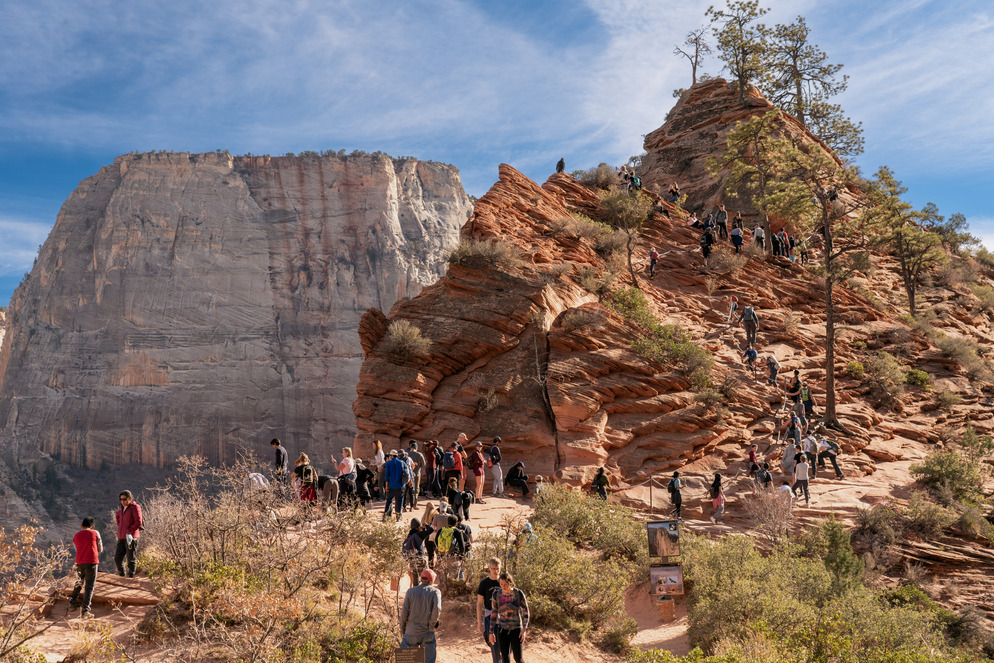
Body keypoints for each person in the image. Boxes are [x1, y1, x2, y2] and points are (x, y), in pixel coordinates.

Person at [400, 568, 442, 663]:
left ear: (421, 579)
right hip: (427, 632)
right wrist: (431, 626)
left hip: (410, 632)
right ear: (432, 580)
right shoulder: (435, 592)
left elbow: (404, 612)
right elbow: (437, 609)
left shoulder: (410, 591)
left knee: (405, 661)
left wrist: (402, 629)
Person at [488, 572, 529, 663]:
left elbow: (526, 612)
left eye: (505, 584)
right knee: (505, 658)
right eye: (501, 584)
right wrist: (491, 632)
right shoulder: (496, 594)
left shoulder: (518, 593)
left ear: (510, 583)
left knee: (518, 658)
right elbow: (494, 613)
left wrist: (524, 629)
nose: (503, 586)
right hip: (502, 629)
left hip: (516, 629)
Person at [69, 516, 103, 619]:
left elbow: (77, 548)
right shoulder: (95, 533)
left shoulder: (76, 536)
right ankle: (85, 611)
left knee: (78, 583)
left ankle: (72, 603)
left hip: (80, 562)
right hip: (92, 562)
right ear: (92, 527)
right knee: (89, 586)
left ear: (81, 526)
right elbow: (100, 548)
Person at [477, 558, 503, 663]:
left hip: (504, 616)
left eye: (498, 569)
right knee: (493, 644)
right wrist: (479, 623)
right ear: (489, 568)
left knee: (504, 645)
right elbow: (479, 603)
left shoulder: (504, 581)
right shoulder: (484, 583)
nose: (496, 571)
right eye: (493, 569)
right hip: (489, 616)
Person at [114, 490, 143, 577]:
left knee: (131, 559)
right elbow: (118, 517)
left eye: (124, 499)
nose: (122, 501)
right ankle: (122, 576)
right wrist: (121, 529)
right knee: (117, 558)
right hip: (122, 537)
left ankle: (131, 577)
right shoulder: (121, 509)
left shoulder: (135, 507)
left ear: (130, 498)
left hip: (132, 537)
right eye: (121, 499)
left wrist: (129, 531)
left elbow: (139, 522)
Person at [383, 449, 408, 521]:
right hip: (401, 486)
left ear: (391, 456)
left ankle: (385, 516)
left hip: (391, 486)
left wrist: (386, 486)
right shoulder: (402, 463)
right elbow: (407, 473)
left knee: (389, 501)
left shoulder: (388, 464)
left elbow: (387, 476)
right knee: (399, 501)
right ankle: (398, 516)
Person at [403, 518, 428, 587]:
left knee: (415, 577)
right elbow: (430, 530)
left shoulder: (409, 535)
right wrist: (426, 526)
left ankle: (415, 590)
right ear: (417, 527)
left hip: (412, 559)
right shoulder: (419, 535)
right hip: (420, 558)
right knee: (424, 576)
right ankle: (423, 590)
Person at [408, 441, 426, 508]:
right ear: (416, 448)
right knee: (416, 488)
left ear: (411, 447)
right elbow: (423, 464)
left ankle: (407, 502)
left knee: (409, 488)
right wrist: (418, 467)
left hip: (409, 473)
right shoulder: (419, 454)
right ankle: (415, 504)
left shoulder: (407, 454)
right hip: (417, 473)